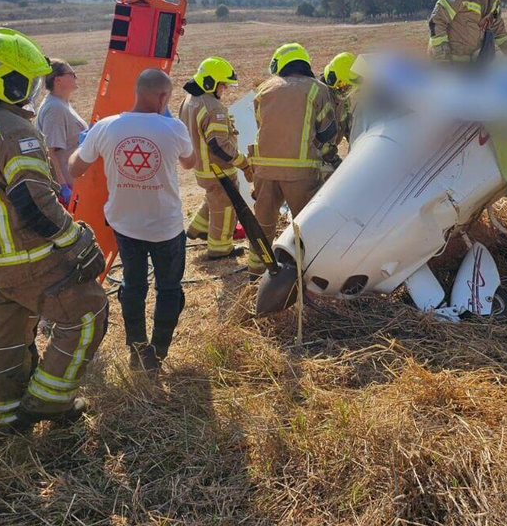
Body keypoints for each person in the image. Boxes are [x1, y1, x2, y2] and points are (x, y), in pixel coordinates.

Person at [0, 27, 108, 435]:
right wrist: (77, 242)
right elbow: (36, 203)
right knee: (89, 313)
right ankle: (50, 398)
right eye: (27, 80)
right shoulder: (10, 130)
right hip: (26, 260)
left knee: (5, 346)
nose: (33, 89)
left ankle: (7, 423)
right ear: (7, 80)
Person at [69, 69, 195, 376]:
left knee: (133, 286)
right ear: (164, 97)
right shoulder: (174, 128)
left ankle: (137, 349)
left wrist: (87, 143)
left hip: (126, 226)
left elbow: (75, 168)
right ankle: (160, 349)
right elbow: (190, 163)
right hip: (166, 227)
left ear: (137, 92)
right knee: (168, 288)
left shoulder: (106, 127)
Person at [246, 43, 336, 277]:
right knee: (304, 226)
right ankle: (308, 273)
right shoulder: (318, 89)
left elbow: (261, 127)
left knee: (263, 225)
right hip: (301, 174)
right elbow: (328, 131)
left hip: (264, 172)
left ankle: (256, 272)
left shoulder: (263, 90)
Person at [179, 57, 252, 259]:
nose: (225, 89)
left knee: (213, 199)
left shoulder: (188, 101)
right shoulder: (213, 108)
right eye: (222, 84)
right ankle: (220, 249)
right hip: (217, 171)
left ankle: (198, 229)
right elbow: (220, 145)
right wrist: (243, 163)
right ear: (210, 83)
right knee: (227, 206)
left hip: (201, 168)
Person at [35, 59, 87, 206]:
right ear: (58, 80)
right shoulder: (55, 109)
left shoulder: (60, 103)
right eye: (71, 74)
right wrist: (63, 187)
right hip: (68, 186)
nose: (75, 77)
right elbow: (49, 152)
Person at [319, 51, 361, 169]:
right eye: (343, 85)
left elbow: (349, 128)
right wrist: (334, 160)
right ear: (332, 77)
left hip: (328, 155)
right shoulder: (318, 98)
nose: (345, 91)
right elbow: (317, 140)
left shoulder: (343, 100)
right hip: (314, 158)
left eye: (349, 88)